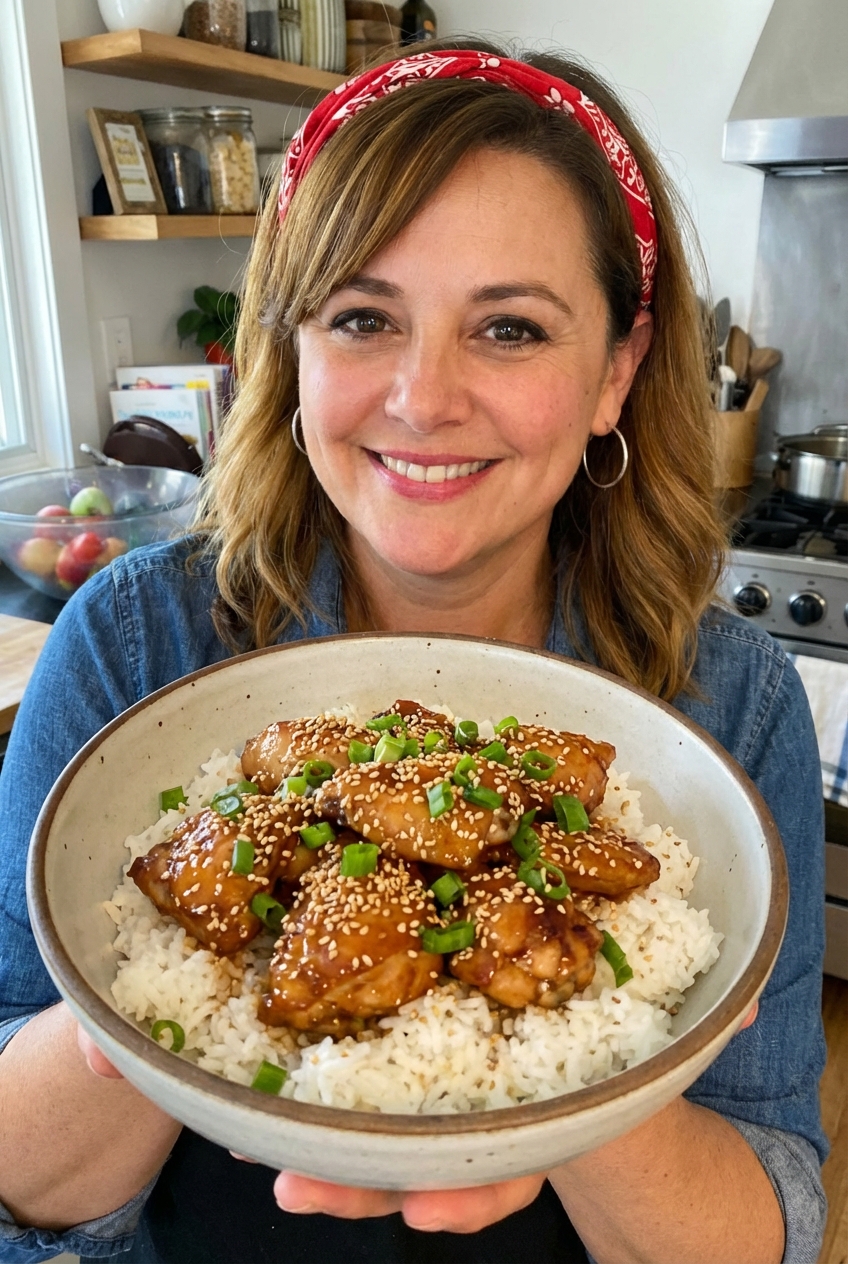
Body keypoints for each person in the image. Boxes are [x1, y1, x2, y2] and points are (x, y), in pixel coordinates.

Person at [0, 39, 828, 1264]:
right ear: (291, 355)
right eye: (362, 317)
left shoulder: (734, 698)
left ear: (615, 370)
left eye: (507, 328)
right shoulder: (130, 640)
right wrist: (163, 1009)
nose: (423, 396)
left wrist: (596, 1063)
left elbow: (776, 1219)